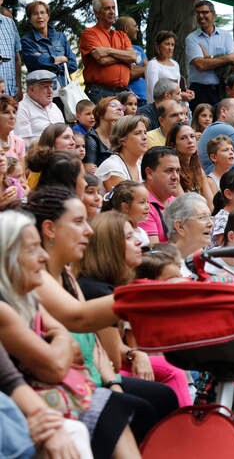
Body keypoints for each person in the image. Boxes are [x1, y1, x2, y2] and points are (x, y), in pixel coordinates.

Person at [0, 208, 139, 459]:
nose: (42, 257)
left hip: (70, 389)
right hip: (44, 398)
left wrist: (61, 340)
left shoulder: (34, 294)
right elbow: (56, 362)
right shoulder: (7, 307)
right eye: (32, 249)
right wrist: (143, 299)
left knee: (136, 404)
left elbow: (74, 341)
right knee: (96, 417)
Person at [76, 211, 190, 406]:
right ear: (109, 248)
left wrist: (136, 354)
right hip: (98, 376)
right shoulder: (98, 291)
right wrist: (136, 354)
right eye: (129, 237)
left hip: (112, 367)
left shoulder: (108, 284)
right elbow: (114, 359)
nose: (138, 242)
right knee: (170, 374)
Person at [79, 0, 136, 103]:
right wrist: (124, 59)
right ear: (96, 13)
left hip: (122, 93)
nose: (112, 11)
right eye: (107, 8)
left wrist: (108, 51)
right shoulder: (89, 34)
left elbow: (133, 57)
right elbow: (102, 60)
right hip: (100, 92)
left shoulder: (122, 35)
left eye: (113, 8)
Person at [185, 0, 234, 109]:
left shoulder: (226, 36)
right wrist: (227, 58)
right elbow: (201, 65)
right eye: (198, 13)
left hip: (222, 89)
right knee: (200, 125)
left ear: (214, 14)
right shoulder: (191, 38)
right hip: (199, 91)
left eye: (205, 12)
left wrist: (210, 59)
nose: (201, 16)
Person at [21, 0, 78, 90]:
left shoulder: (60, 37)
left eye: (42, 12)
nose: (39, 16)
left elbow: (73, 64)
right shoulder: (27, 40)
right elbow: (36, 64)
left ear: (48, 16)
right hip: (42, 90)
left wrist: (47, 61)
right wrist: (61, 59)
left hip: (65, 88)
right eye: (35, 14)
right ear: (30, 19)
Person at [166, 122, 216, 207]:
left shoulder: (198, 169)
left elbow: (211, 206)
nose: (190, 141)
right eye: (183, 138)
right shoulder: (172, 172)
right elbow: (186, 207)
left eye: (192, 136)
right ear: (173, 144)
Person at [96, 115, 149, 191]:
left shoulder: (140, 163)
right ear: (122, 140)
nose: (145, 137)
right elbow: (125, 201)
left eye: (145, 132)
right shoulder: (113, 168)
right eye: (138, 133)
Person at [140, 147, 180, 244]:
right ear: (149, 173)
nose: (175, 177)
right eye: (169, 171)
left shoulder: (176, 202)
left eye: (177, 171)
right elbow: (154, 254)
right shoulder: (140, 206)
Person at [163, 193, 214, 269]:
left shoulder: (208, 261)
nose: (211, 223)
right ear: (180, 227)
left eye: (210, 217)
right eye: (202, 217)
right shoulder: (163, 266)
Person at [14, 70, 65, 145]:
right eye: (45, 87)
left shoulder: (54, 107)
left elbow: (64, 132)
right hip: (39, 154)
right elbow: (23, 143)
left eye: (51, 86)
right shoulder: (21, 108)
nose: (50, 91)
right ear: (31, 89)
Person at [144, 30, 194, 105]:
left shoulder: (175, 64)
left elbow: (177, 89)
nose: (170, 48)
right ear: (158, 46)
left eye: (172, 45)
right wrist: (180, 96)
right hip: (160, 107)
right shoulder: (153, 65)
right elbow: (153, 92)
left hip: (176, 106)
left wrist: (184, 93)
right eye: (167, 44)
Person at [102, 179, 151, 248]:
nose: (147, 207)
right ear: (125, 207)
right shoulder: (120, 233)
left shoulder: (141, 231)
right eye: (142, 202)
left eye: (147, 202)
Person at [84, 95, 123, 172]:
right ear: (100, 112)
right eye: (113, 105)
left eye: (122, 108)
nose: (119, 109)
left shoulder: (122, 138)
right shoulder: (91, 138)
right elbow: (91, 171)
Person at [115, 16, 147, 106]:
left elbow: (149, 70)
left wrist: (135, 69)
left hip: (144, 98)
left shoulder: (139, 49)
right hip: (128, 100)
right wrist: (142, 69)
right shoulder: (117, 49)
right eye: (135, 26)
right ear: (126, 28)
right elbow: (129, 74)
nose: (138, 29)